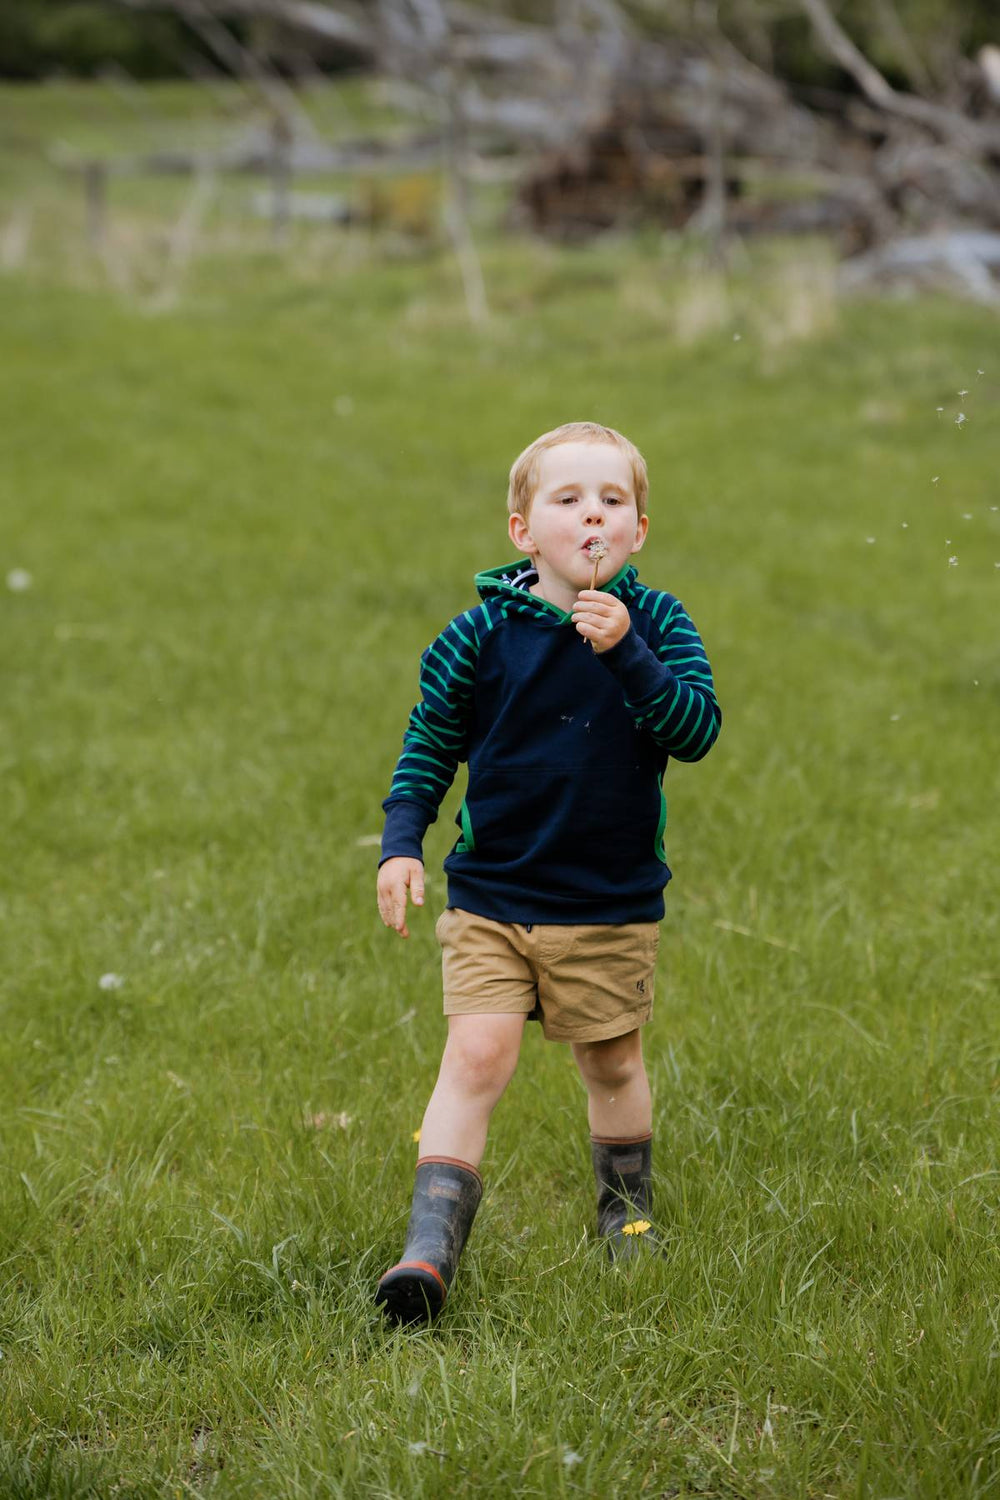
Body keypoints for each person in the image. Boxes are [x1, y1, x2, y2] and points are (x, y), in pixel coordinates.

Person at [374, 421, 721, 1326]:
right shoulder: (477, 636)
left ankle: (625, 1214)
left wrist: (626, 654)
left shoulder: (659, 625)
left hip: (606, 903)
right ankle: (429, 1250)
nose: (593, 515)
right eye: (568, 499)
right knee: (476, 1054)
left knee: (610, 1058)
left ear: (639, 529)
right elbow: (429, 746)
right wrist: (403, 840)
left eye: (613, 500)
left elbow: (696, 731)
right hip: (492, 893)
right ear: (525, 531)